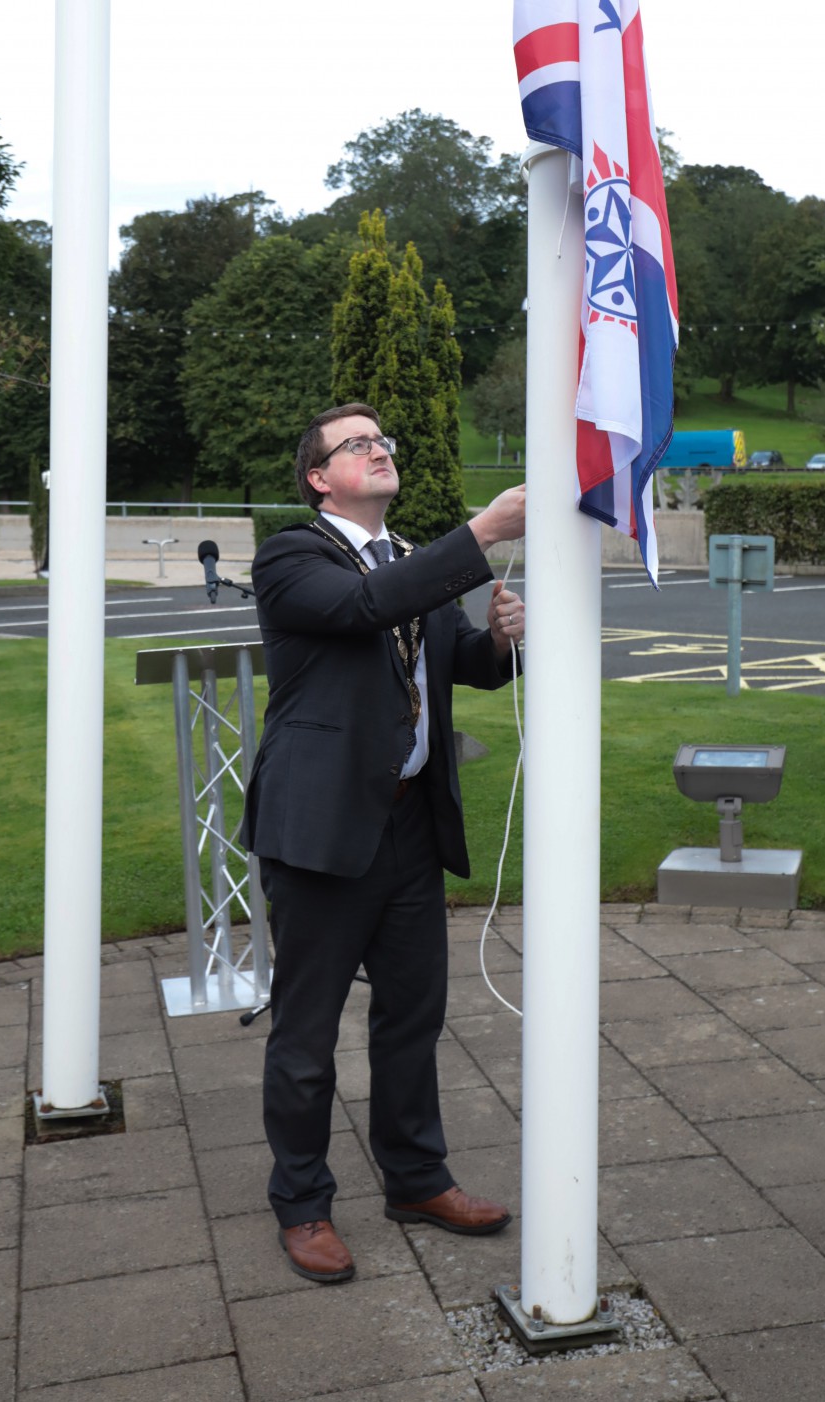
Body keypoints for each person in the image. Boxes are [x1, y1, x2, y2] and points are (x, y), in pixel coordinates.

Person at [241, 402, 526, 1284]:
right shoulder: (292, 556)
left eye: (381, 441)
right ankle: (302, 1203)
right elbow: (365, 609)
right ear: (320, 478)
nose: (377, 449)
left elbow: (457, 664)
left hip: (408, 824)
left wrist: (502, 643)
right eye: (355, 444)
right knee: (307, 1031)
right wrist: (478, 534)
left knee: (414, 1017)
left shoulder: (408, 564)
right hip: (321, 831)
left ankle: (415, 1179)